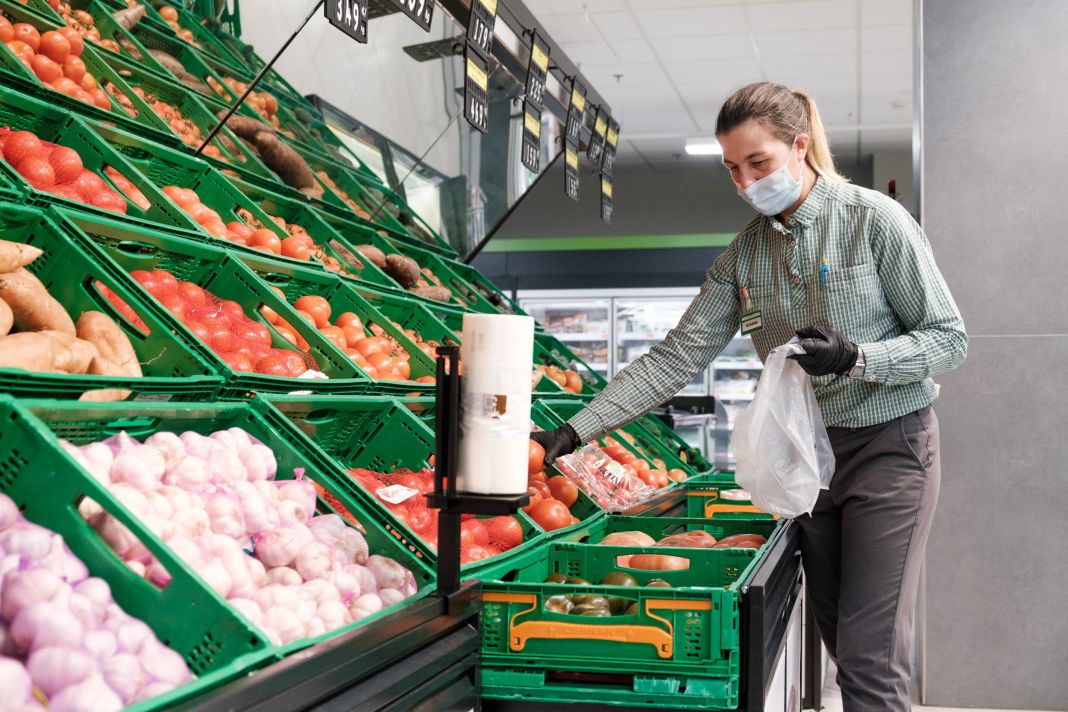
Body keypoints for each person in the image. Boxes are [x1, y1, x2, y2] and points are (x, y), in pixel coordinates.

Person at [531, 81, 967, 711]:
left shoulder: (873, 220)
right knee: (839, 637)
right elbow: (677, 356)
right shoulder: (744, 257)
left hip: (889, 449)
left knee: (869, 654)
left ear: (800, 146)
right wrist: (574, 431)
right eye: (733, 168)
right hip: (808, 460)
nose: (745, 181)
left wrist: (857, 357)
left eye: (758, 162)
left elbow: (949, 339)